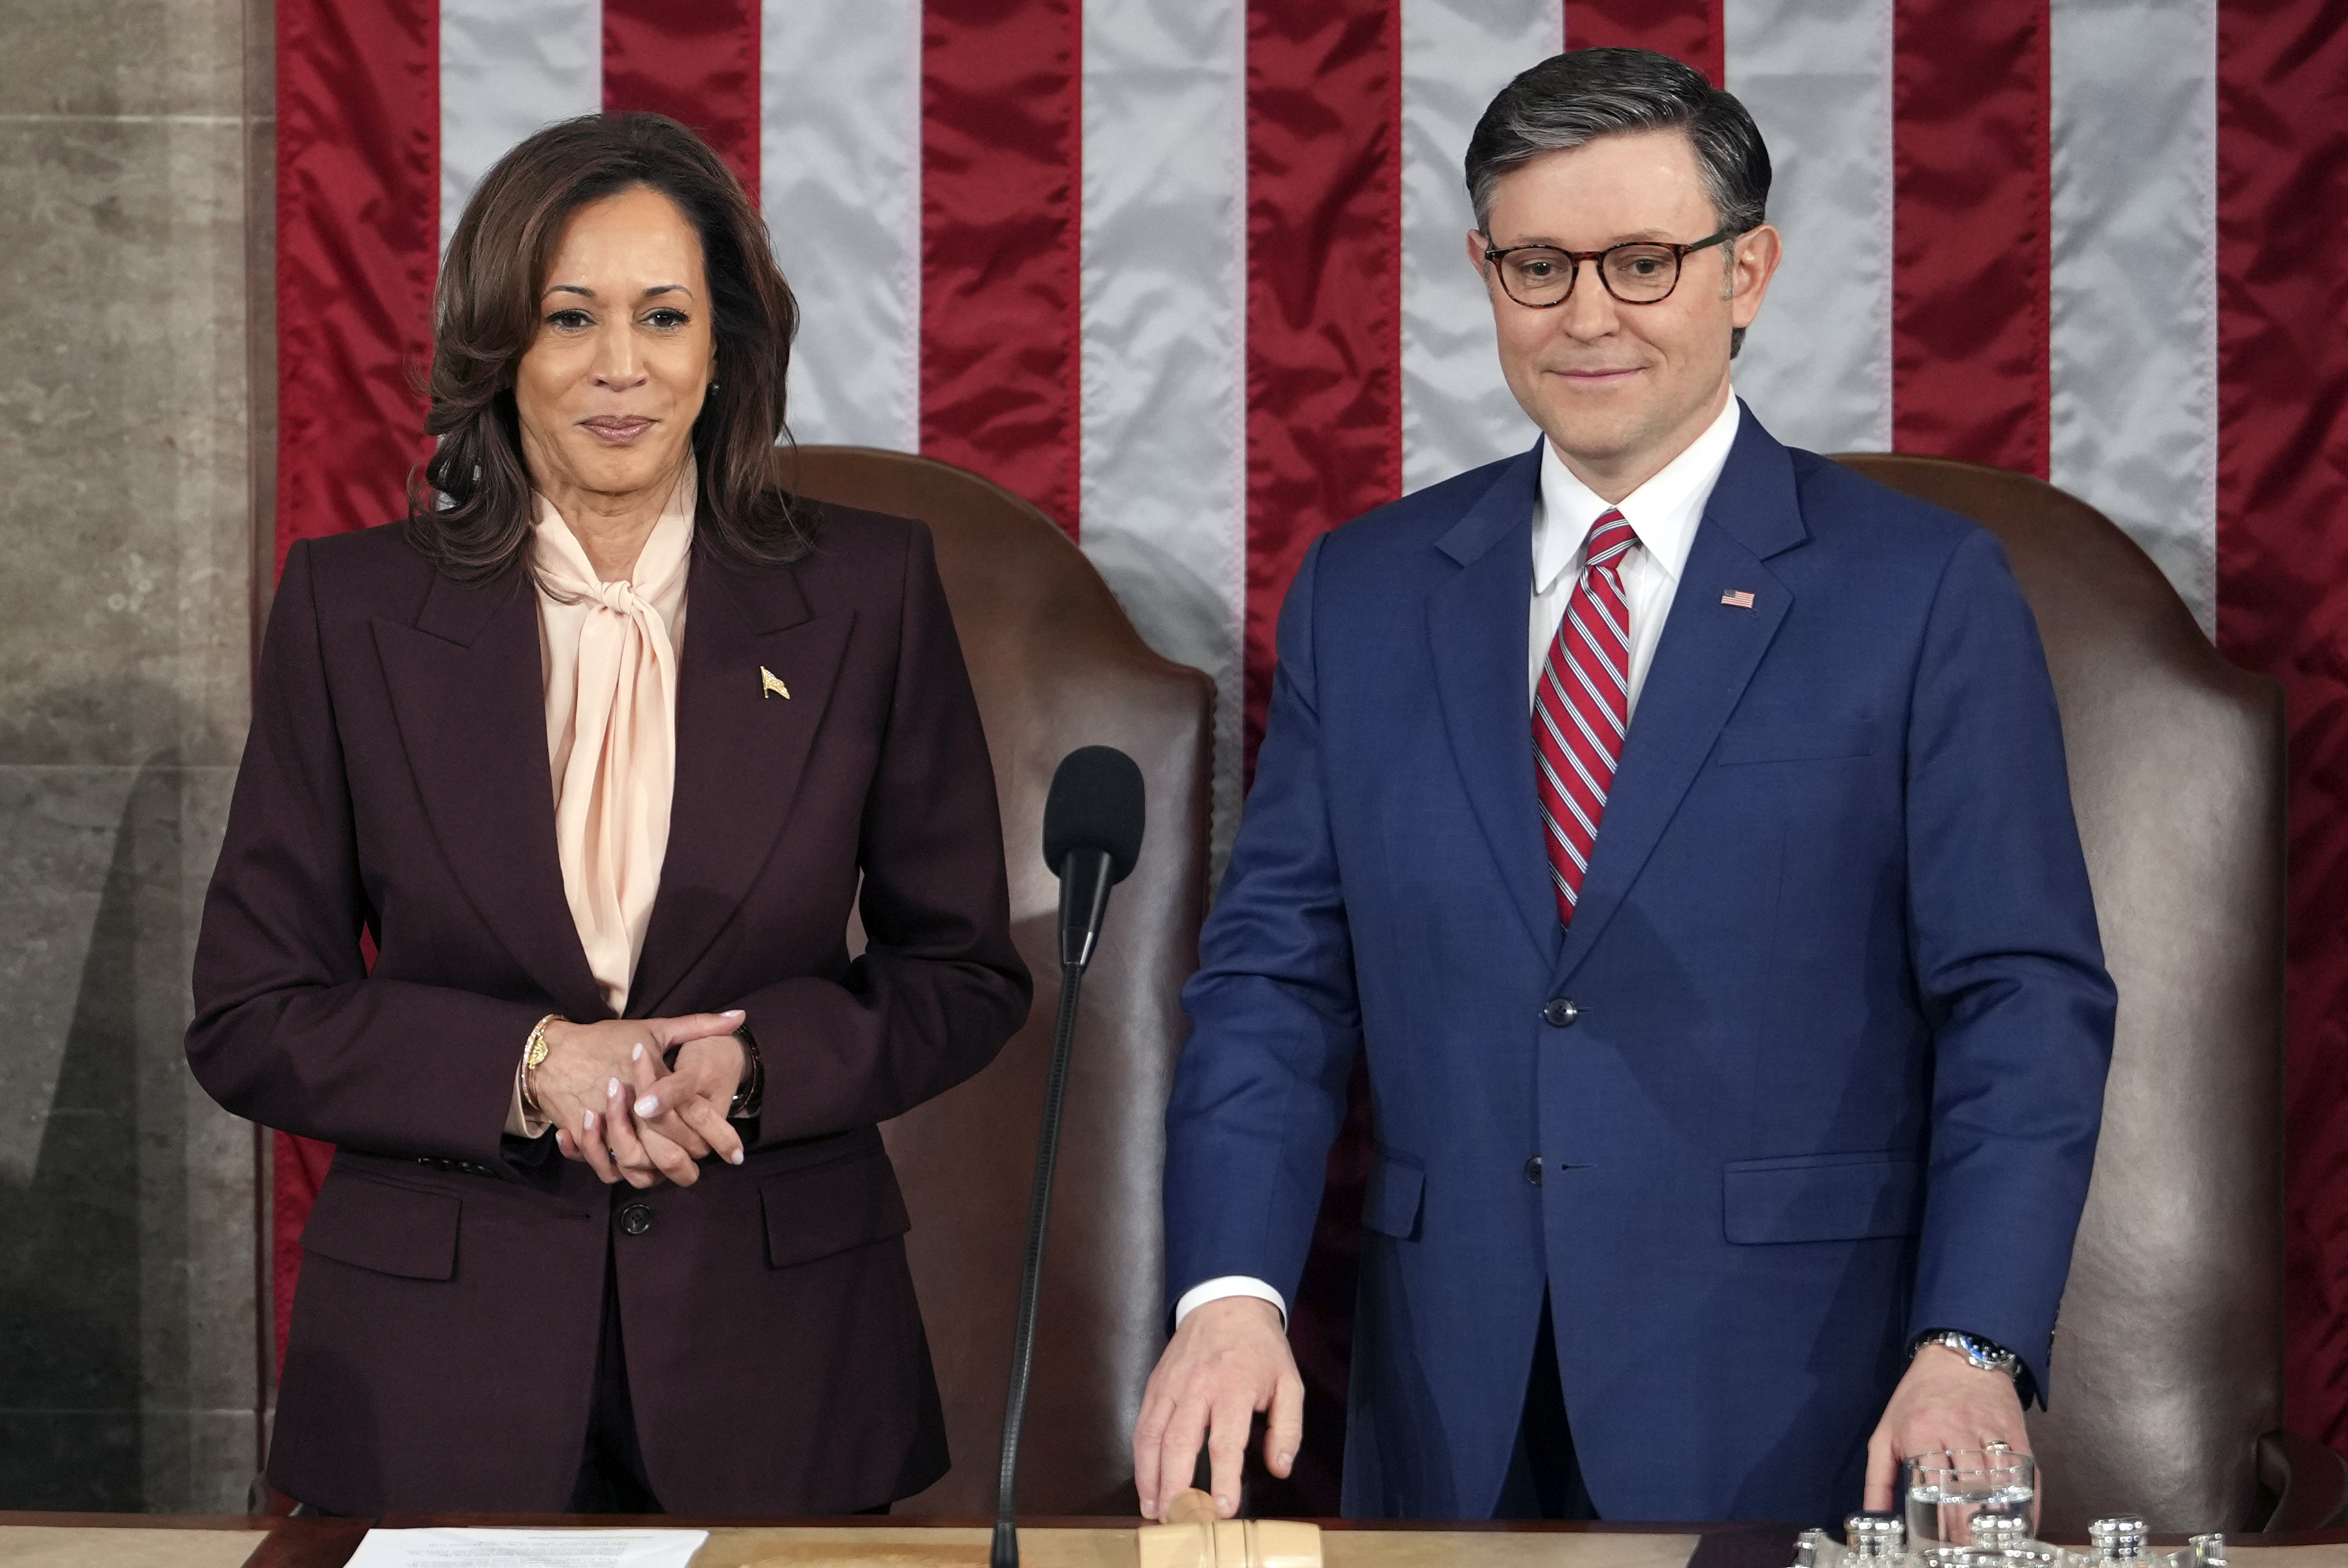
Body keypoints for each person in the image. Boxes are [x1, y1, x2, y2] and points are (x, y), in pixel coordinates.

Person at [1134, 48, 2113, 1526]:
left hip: (1794, 1394)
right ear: (1483, 272)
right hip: (1450, 1398)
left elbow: (2021, 1001)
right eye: (1539, 264)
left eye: (1644, 262)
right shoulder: (1367, 591)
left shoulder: (1918, 593)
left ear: (1748, 271)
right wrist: (1227, 1292)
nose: (1588, 313)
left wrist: (1971, 1340)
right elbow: (1275, 978)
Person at [186, 113, 1030, 1515]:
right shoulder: (351, 609)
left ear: (725, 346)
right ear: (499, 342)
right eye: (569, 318)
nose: (620, 367)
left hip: (781, 1363)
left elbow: (962, 975)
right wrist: (533, 1065)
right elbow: (252, 1012)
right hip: (435, 1374)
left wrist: (753, 1069)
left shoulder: (869, 596)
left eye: (664, 316)